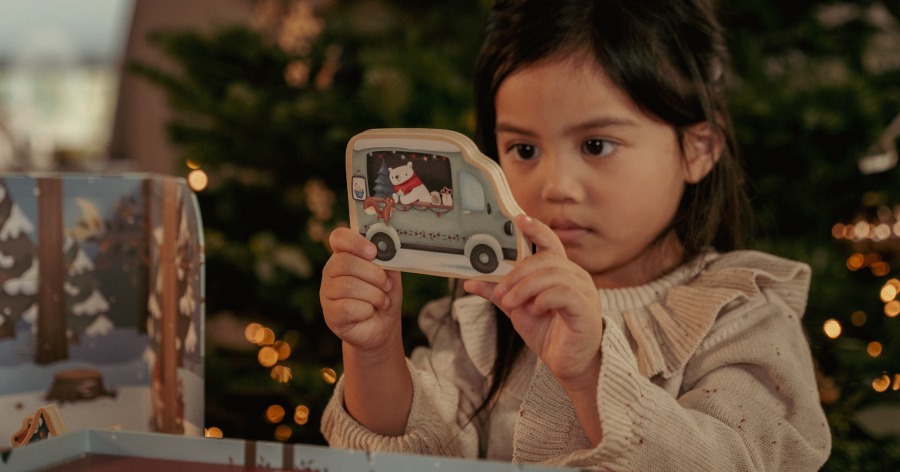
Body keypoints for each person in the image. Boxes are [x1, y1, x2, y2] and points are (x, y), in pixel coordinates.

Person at [318, 0, 832, 469]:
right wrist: (374, 351)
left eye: (596, 145)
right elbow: (423, 454)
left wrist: (589, 374)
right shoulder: (492, 303)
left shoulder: (742, 315)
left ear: (698, 148)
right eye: (523, 150)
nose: (556, 187)